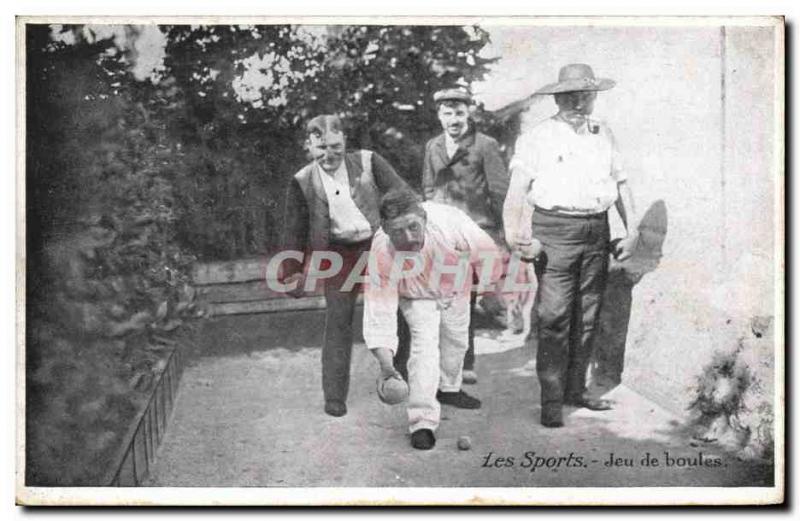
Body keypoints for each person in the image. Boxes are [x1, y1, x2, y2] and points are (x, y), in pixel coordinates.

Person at [503, 64, 639, 428]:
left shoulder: (603, 133)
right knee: (555, 317)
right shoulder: (538, 137)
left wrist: (631, 231)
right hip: (554, 232)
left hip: (596, 231)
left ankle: (575, 391)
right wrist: (516, 238)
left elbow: (621, 184)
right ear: (558, 98)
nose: (579, 102)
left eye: (586, 94)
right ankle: (551, 399)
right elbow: (516, 193)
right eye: (571, 95)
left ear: (594, 96)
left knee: (588, 317)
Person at [280, 114, 408, 418]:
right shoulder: (302, 180)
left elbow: (402, 198)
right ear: (309, 146)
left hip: (376, 245)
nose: (329, 154)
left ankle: (399, 376)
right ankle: (335, 396)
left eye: (335, 146)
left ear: (345, 142)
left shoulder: (369, 162)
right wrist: (292, 272)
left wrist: (406, 234)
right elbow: (293, 230)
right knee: (338, 320)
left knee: (399, 311)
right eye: (321, 147)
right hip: (337, 253)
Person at [364, 189, 501, 450]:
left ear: (424, 217)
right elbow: (378, 313)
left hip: (455, 286)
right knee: (424, 349)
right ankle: (422, 421)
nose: (408, 238)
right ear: (384, 228)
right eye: (397, 232)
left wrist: (490, 287)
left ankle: (449, 388)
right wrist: (387, 366)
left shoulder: (449, 220)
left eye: (413, 227)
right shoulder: (381, 251)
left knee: (457, 340)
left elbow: (485, 250)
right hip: (415, 296)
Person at [416, 87, 510, 385]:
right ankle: (437, 362)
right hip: (442, 231)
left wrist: (501, 234)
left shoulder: (485, 145)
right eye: (447, 113)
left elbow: (499, 191)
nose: (454, 119)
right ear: (439, 115)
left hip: (474, 230)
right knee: (439, 296)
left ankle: (463, 363)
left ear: (469, 113)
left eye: (459, 112)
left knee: (464, 298)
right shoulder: (433, 146)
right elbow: (428, 188)